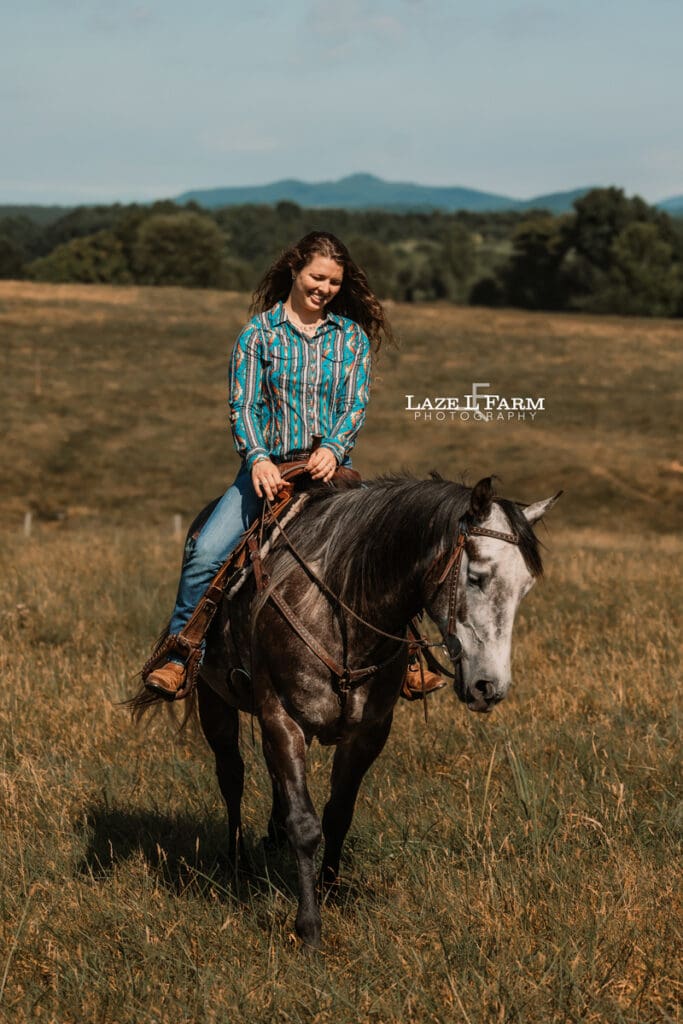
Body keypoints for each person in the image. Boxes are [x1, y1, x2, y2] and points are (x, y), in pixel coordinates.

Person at [144, 230, 442, 701]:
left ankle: (410, 658)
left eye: (334, 282)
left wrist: (334, 446)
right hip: (267, 471)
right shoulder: (257, 335)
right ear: (295, 271)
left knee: (387, 550)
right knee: (205, 551)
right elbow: (243, 406)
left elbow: (354, 404)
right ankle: (180, 656)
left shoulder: (351, 339)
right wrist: (258, 458)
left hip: (331, 472)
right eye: (317, 277)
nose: (324, 288)